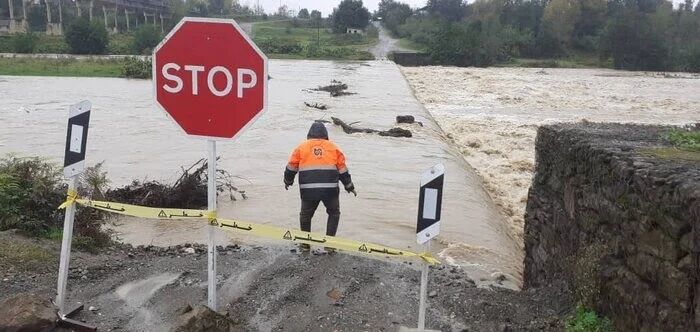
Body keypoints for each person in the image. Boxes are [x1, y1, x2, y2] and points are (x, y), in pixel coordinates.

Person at [284, 122, 356, 252]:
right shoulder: (334, 148)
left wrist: (287, 181)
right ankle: (329, 244)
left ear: (309, 135)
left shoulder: (301, 147)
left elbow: (291, 167)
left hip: (308, 191)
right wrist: (349, 186)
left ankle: (305, 244)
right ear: (325, 135)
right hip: (330, 191)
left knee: (305, 215)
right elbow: (342, 170)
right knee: (334, 213)